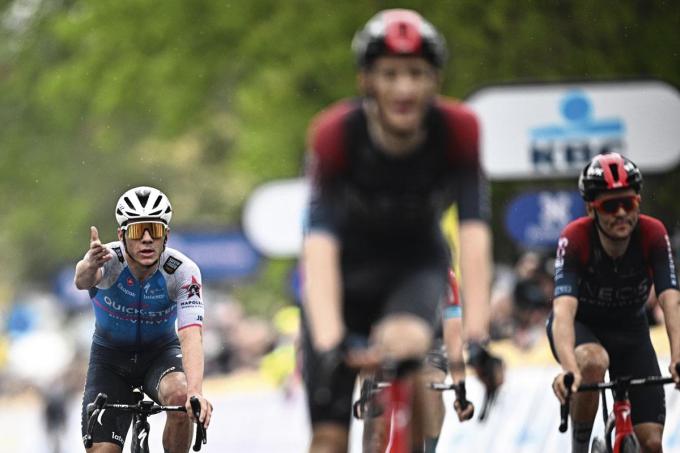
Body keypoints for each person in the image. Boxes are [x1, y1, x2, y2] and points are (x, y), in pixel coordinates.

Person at [300, 9, 495, 453]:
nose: (404, 88)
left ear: (435, 80)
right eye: (389, 74)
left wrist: (479, 338)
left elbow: (475, 237)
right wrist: (332, 342)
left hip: (415, 265)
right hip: (344, 274)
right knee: (328, 440)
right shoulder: (334, 135)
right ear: (366, 81)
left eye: (416, 74)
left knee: (410, 347)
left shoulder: (460, 130)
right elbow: (318, 248)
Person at [549, 153, 680, 453]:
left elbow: (671, 301)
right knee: (594, 362)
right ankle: (580, 447)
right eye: (610, 205)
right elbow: (563, 311)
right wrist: (570, 370)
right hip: (584, 328)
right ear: (591, 209)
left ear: (638, 202)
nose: (621, 213)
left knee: (652, 443)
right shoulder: (575, 237)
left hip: (631, 333)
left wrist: (677, 357)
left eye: (628, 203)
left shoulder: (653, 233)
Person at [74, 186, 212, 453]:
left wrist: (195, 392)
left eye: (155, 231)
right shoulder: (107, 261)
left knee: (180, 395)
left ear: (166, 236)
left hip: (160, 355)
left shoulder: (182, 272)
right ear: (121, 235)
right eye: (138, 231)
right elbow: (82, 281)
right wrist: (88, 264)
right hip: (110, 361)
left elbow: (191, 332)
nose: (147, 240)